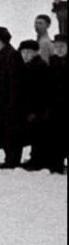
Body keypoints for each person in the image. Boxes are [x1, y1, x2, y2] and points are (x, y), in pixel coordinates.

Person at [0, 26, 24, 168]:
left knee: (11, 133)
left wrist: (11, 103)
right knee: (5, 132)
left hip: (10, 103)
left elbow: (15, 83)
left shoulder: (11, 55)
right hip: (1, 102)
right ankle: (9, 159)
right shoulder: (0, 54)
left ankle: (12, 160)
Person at [18, 40, 51, 170]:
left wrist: (35, 110)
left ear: (36, 52)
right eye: (23, 52)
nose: (25, 55)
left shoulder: (38, 67)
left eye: (28, 52)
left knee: (38, 135)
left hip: (37, 108)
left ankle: (38, 160)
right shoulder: (29, 66)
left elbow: (40, 92)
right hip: (31, 108)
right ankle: (35, 158)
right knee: (34, 135)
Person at [48, 34, 67, 173]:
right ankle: (56, 163)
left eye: (62, 46)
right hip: (55, 105)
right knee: (55, 135)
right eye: (56, 46)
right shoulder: (52, 61)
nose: (59, 49)